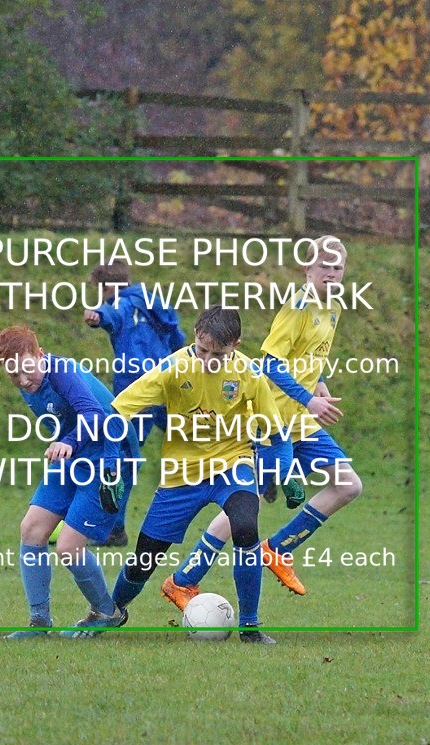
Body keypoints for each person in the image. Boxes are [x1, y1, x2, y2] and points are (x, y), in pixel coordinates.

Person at [170, 236, 363, 598]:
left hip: (300, 420)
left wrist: (317, 383)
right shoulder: (298, 307)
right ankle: (183, 579)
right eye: (325, 266)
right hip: (271, 420)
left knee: (348, 484)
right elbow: (270, 362)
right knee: (247, 502)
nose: (332, 273)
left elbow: (305, 356)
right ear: (308, 268)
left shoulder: (332, 306)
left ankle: (278, 549)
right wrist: (309, 399)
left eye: (338, 267)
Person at [109, 306, 283, 644]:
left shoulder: (249, 374)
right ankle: (111, 611)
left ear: (236, 344)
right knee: (144, 558)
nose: (208, 360)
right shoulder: (172, 369)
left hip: (233, 465)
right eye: (202, 350)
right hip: (181, 475)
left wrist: (279, 471)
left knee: (246, 526)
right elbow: (118, 410)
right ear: (196, 339)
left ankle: (250, 626)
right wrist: (110, 463)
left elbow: (276, 432)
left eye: (217, 354)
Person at [0, 326, 140, 638]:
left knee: (68, 546)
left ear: (41, 355)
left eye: (26, 370)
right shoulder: (28, 381)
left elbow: (94, 415)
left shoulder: (62, 372)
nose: (22, 381)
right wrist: (68, 444)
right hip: (73, 454)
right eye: (13, 375)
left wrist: (69, 442)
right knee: (31, 529)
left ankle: (107, 612)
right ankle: (39, 623)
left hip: (109, 455)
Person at [84, 259, 186, 547]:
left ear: (111, 286)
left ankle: (114, 529)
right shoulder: (154, 301)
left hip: (137, 391)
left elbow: (110, 314)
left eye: (101, 289)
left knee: (124, 456)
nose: (101, 295)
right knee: (193, 441)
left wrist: (97, 316)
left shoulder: (120, 303)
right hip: (168, 383)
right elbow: (176, 333)